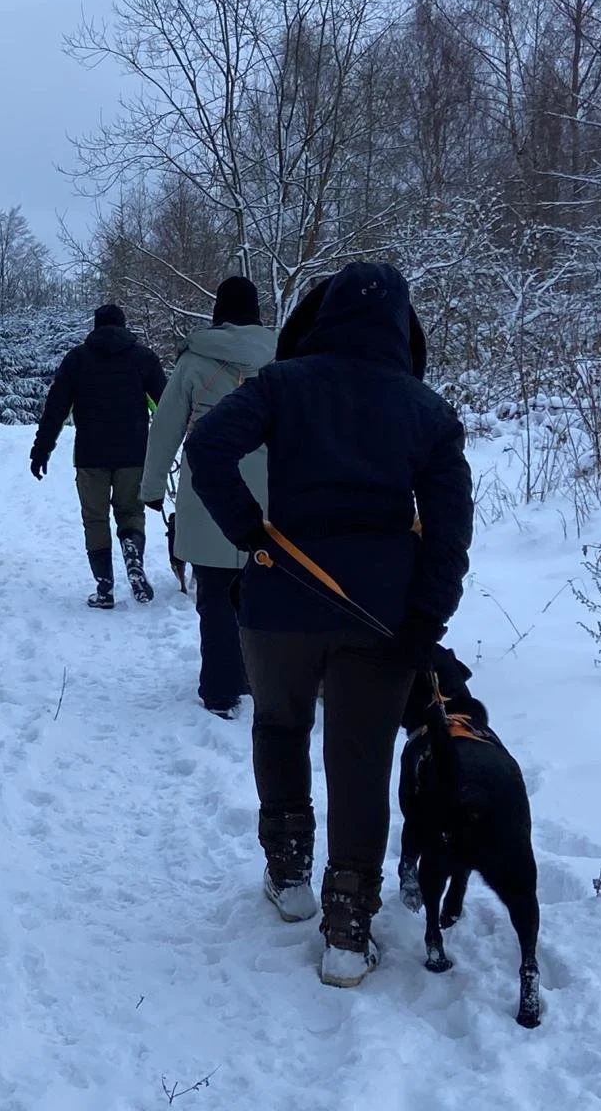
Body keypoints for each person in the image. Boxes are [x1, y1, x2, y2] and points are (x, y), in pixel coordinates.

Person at [185, 261, 472, 989]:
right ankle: (348, 932)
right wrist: (426, 619)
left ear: (325, 316)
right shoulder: (428, 412)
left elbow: (207, 449)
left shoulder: (285, 384)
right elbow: (447, 534)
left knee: (279, 726)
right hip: (378, 617)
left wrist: (251, 534)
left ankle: (288, 878)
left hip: (281, 595)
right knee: (361, 759)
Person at [141, 277, 275, 713]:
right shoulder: (285, 357)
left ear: (218, 312)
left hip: (209, 492)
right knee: (265, 590)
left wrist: (152, 487)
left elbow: (165, 429)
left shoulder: (194, 362)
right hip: (273, 495)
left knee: (215, 593)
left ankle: (220, 688)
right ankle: (258, 677)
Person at [30, 303, 167, 609]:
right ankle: (133, 556)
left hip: (90, 454)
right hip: (134, 452)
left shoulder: (77, 359)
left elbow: (56, 410)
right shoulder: (143, 358)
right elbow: (165, 406)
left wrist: (41, 450)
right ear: (124, 325)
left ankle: (104, 586)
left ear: (95, 326)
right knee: (131, 512)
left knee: (95, 518)